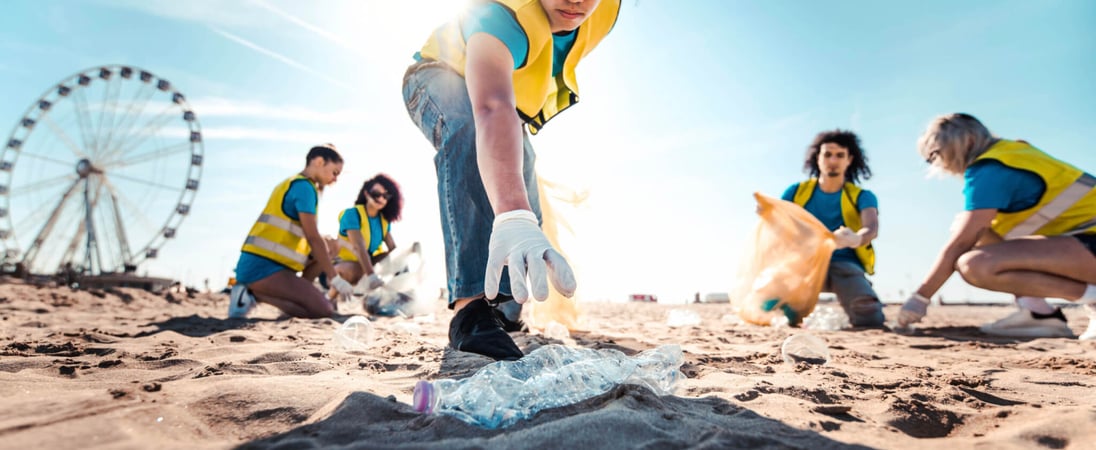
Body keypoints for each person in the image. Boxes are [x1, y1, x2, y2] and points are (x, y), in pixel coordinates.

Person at [402, 0, 620, 360]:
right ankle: (470, 310)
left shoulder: (607, 10)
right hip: (438, 77)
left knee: (522, 179)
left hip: (507, 101)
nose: (577, 0)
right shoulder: (503, 16)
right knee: (470, 135)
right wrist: (512, 214)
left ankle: (506, 307)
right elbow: (489, 107)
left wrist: (522, 211)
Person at [897, 113, 1096, 340]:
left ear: (967, 142)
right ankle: (1037, 313)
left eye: (936, 154)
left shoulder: (989, 170)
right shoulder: (1014, 152)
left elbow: (962, 242)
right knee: (976, 228)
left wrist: (921, 298)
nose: (938, 163)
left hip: (1090, 243)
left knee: (974, 264)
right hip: (1082, 242)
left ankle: (1093, 299)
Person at [228, 144, 354, 319]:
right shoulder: (304, 187)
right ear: (319, 162)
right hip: (262, 267)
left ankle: (299, 294)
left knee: (331, 245)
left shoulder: (295, 183)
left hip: (274, 264)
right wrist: (335, 278)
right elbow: (312, 237)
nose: (335, 179)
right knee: (323, 310)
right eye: (334, 172)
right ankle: (252, 294)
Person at [781, 130, 885, 327]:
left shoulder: (862, 196)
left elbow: (871, 228)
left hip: (845, 264)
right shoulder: (795, 192)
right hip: (803, 265)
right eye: (827, 154)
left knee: (870, 318)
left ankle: (861, 295)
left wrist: (856, 238)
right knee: (781, 314)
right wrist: (767, 212)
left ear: (849, 159)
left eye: (840, 155)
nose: (833, 160)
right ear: (817, 158)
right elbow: (779, 223)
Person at [331, 174, 403, 296]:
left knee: (394, 257)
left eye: (386, 196)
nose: (381, 198)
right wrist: (371, 276)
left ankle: (397, 293)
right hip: (341, 266)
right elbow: (358, 246)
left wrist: (402, 268)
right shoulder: (352, 214)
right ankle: (331, 296)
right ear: (366, 194)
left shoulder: (384, 221)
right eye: (376, 194)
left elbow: (393, 250)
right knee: (349, 270)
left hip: (367, 265)